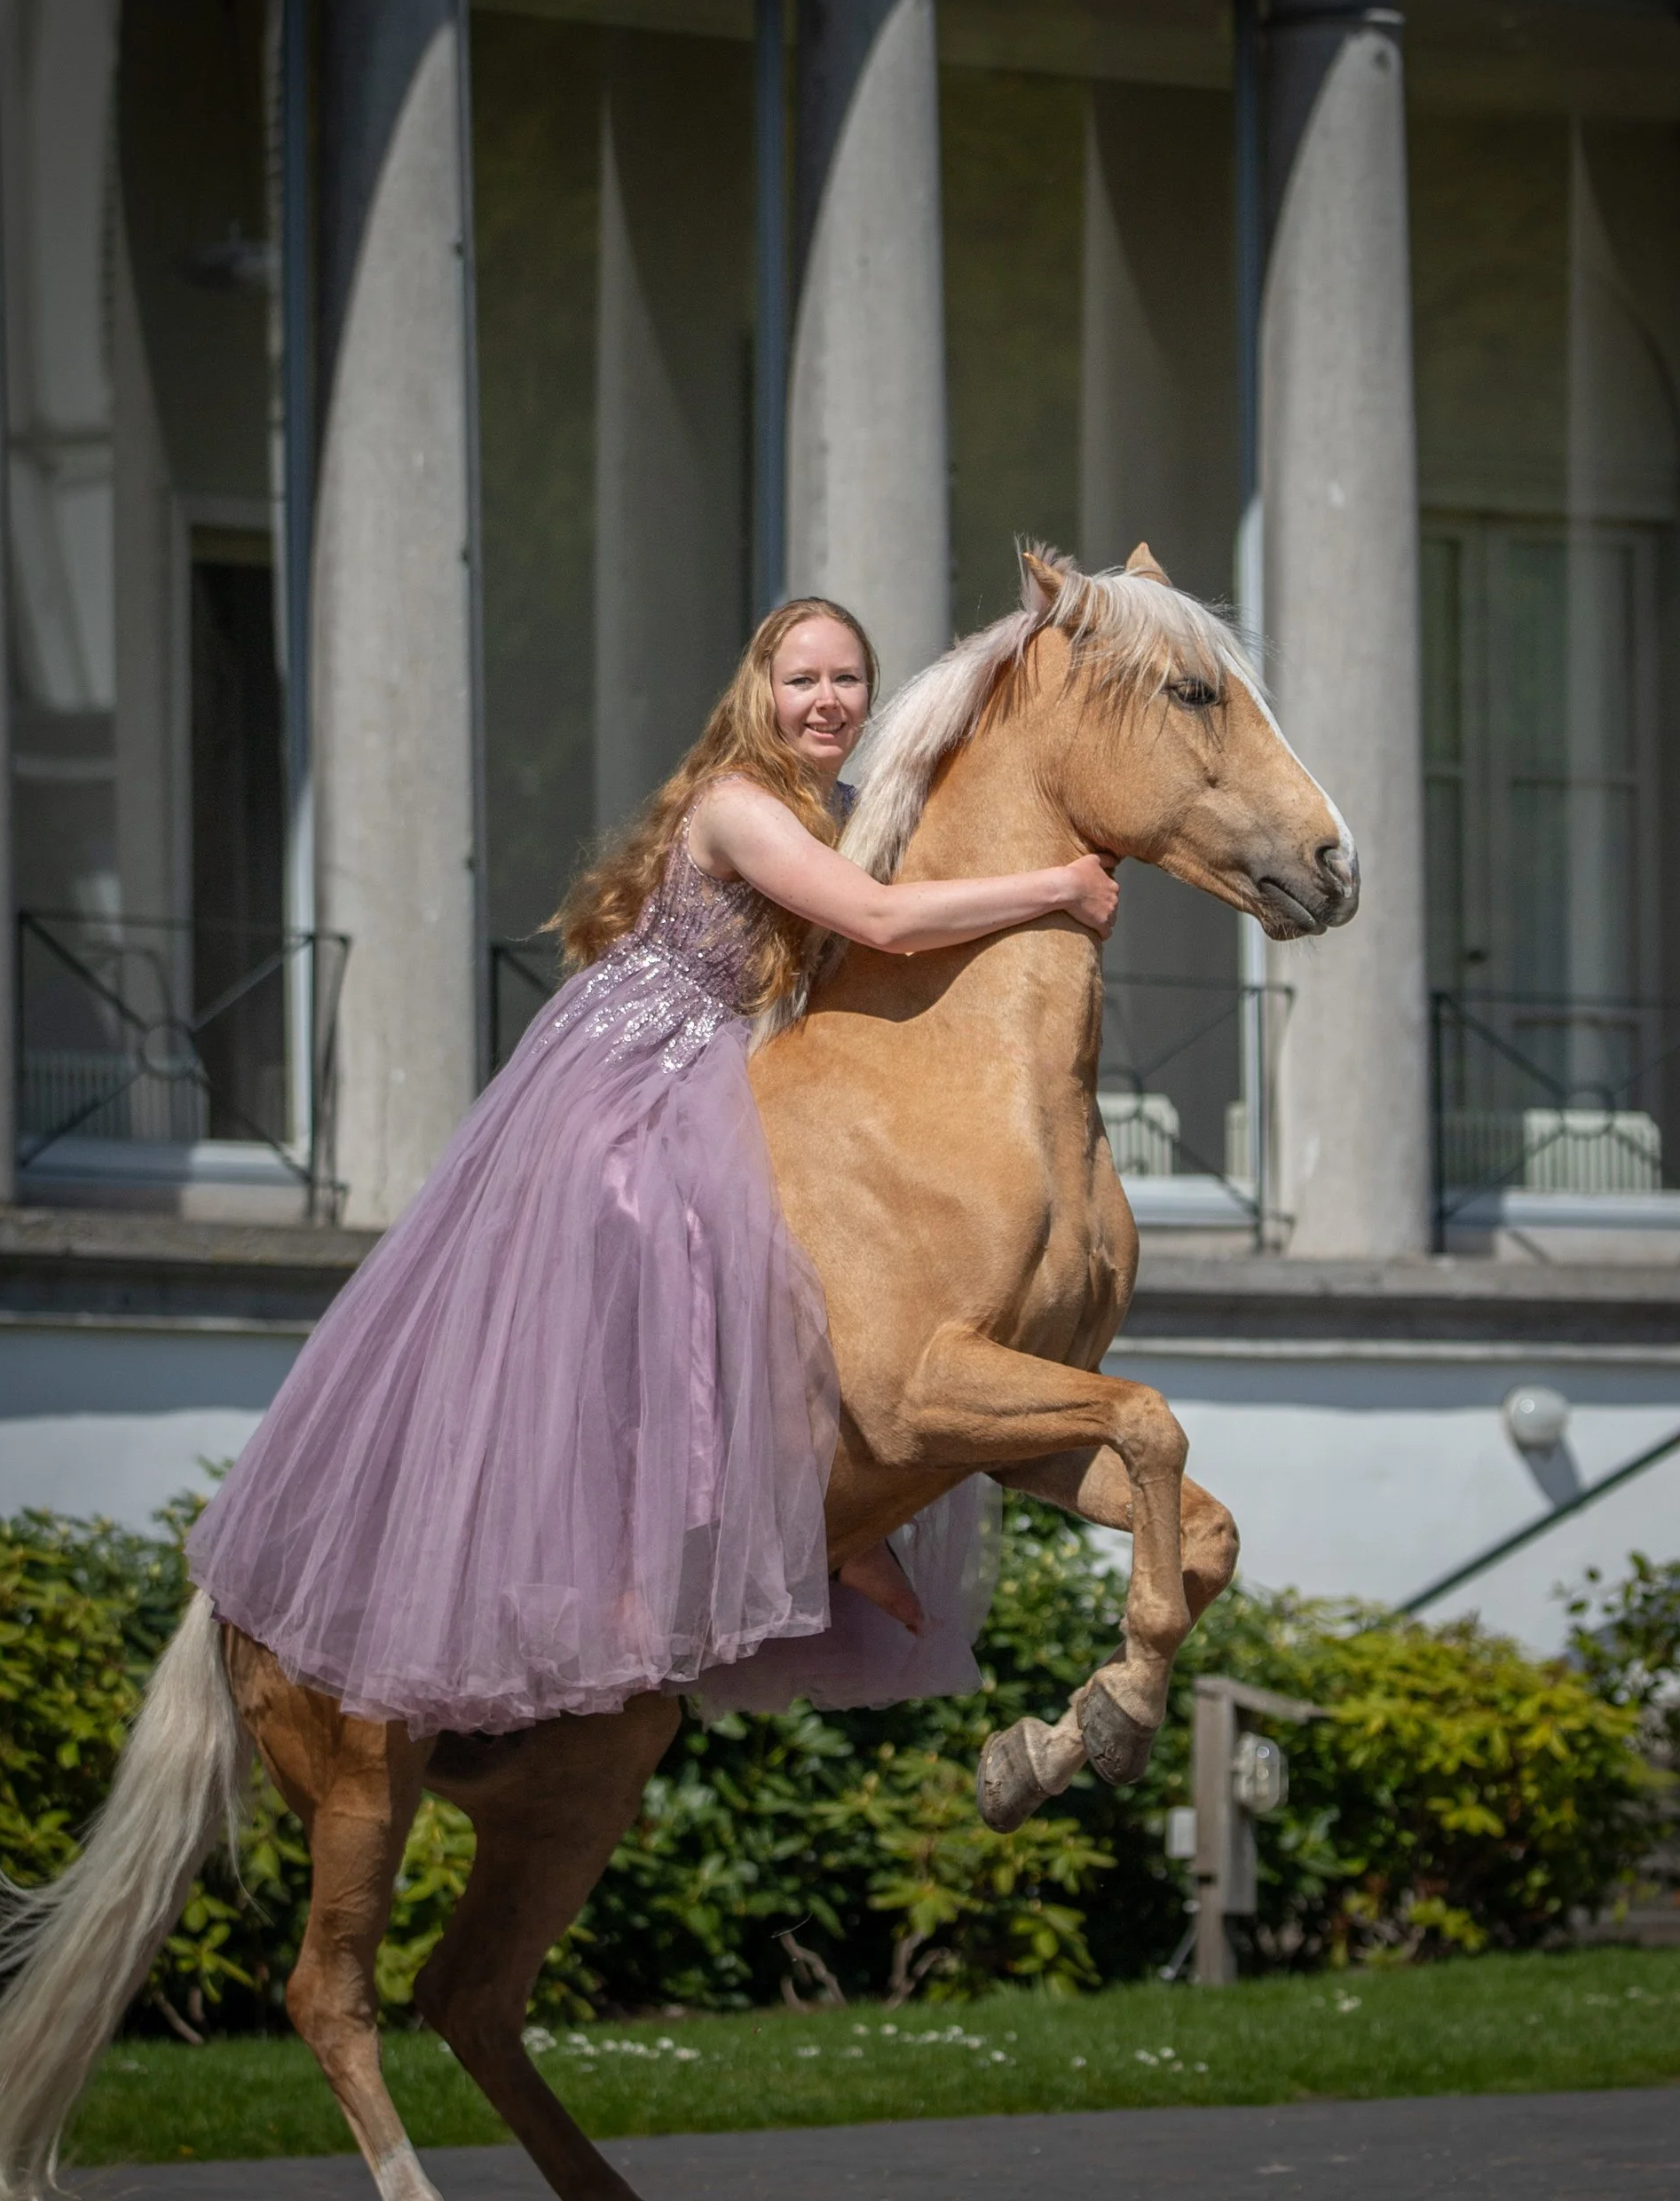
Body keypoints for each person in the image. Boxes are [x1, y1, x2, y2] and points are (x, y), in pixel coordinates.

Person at [185, 596, 1120, 1735]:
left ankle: (826, 1508)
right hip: (633, 1077)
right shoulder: (738, 806)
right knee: (690, 1234)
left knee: (817, 1255)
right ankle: (648, 1548)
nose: (827, 701)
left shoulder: (847, 805)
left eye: (847, 681)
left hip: (728, 1068)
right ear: (759, 695)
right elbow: (878, 918)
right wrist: (1058, 886)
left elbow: (928, 871)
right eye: (802, 680)